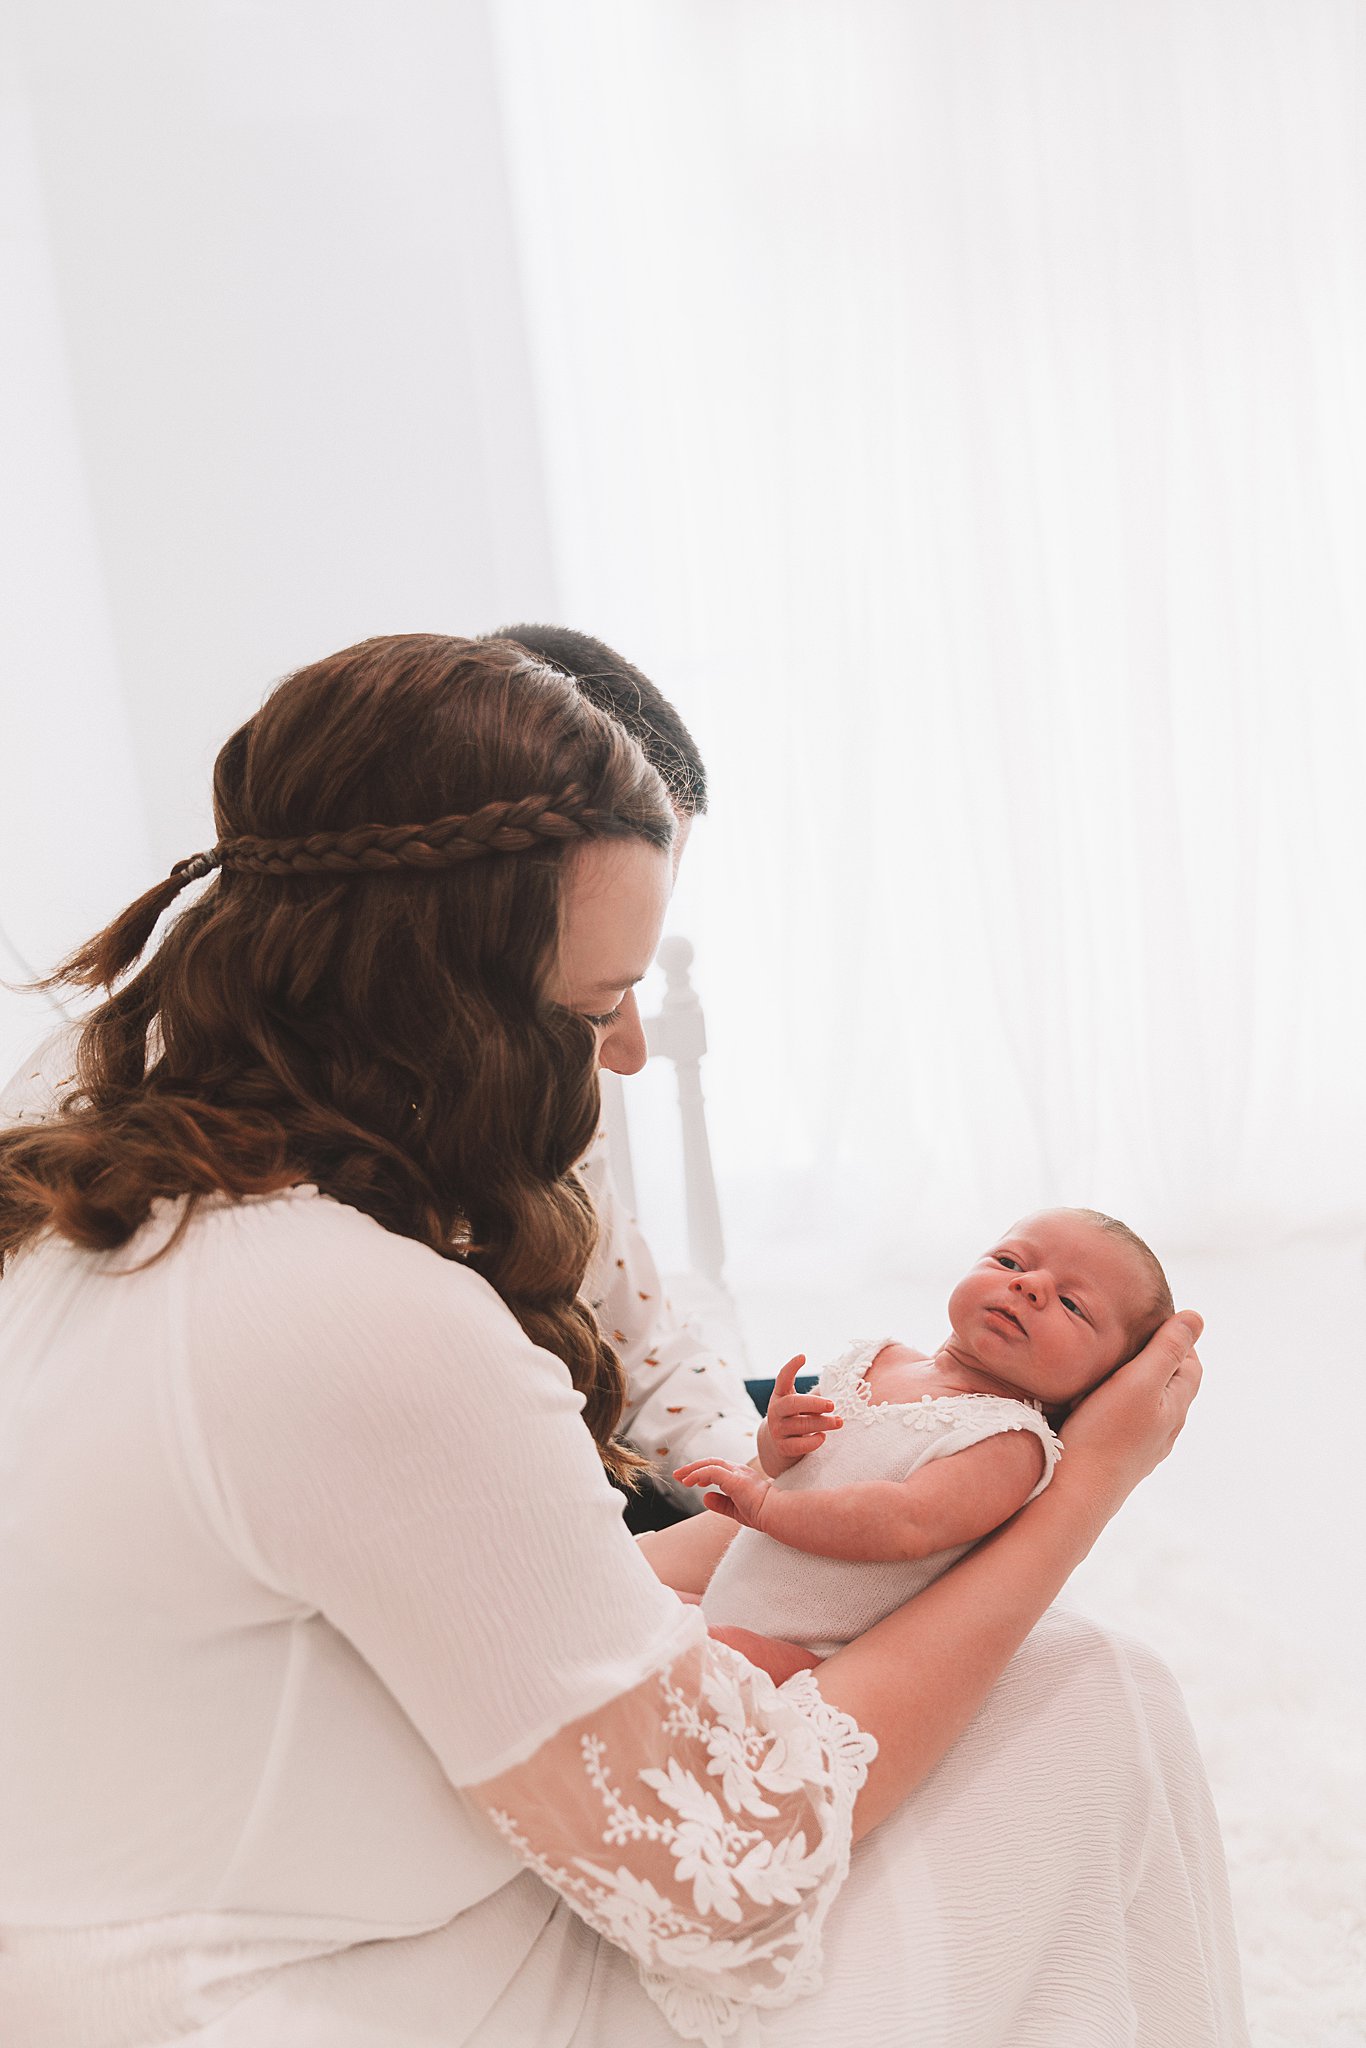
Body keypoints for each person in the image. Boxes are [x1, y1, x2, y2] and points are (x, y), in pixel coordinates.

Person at [0, 633, 1247, 2047]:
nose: (634, 1054)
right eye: (599, 1006)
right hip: (290, 1998)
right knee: (1091, 1701)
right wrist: (1077, 1493)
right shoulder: (351, 1317)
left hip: (194, 1917)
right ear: (431, 1000)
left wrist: (763, 1513)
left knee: (1039, 1682)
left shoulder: (105, 1195)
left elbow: (492, 1581)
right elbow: (728, 1881)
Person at [661, 1209, 1173, 1661]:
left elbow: (905, 1522)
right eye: (1010, 1262)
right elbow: (790, 1469)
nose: (1029, 1286)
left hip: (806, 1648)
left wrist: (769, 1510)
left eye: (1071, 1304)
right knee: (628, 1606)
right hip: (723, 1598)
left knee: (684, 1654)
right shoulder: (880, 1359)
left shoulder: (1008, 1440)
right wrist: (779, 1438)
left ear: (1100, 1386)